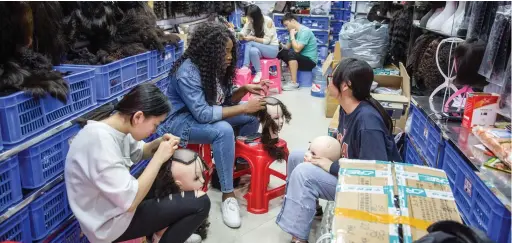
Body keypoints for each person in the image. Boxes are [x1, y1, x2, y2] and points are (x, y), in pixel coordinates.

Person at [276, 58, 402, 243]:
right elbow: (344, 147)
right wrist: (318, 151)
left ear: (345, 86)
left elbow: (373, 177)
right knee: (297, 157)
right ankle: (310, 209)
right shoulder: (347, 108)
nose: (327, 81)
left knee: (304, 173)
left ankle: (299, 238)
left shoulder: (368, 123)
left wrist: (330, 166)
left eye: (332, 77)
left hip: (371, 191)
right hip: (349, 170)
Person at [65, 83, 211, 243]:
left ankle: (162, 235)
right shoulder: (99, 142)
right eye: (155, 125)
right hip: (108, 225)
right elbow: (130, 202)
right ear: (138, 117)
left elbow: (140, 151)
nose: (154, 130)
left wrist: (157, 144)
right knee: (201, 203)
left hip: (116, 206)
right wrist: (159, 157)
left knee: (166, 178)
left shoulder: (116, 128)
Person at [157, 22, 267, 229]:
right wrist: (244, 108)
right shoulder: (187, 73)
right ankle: (228, 195)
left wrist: (243, 89)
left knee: (252, 118)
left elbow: (223, 101)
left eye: (231, 52)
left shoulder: (215, 67)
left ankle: (229, 170)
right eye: (224, 52)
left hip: (201, 115)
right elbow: (204, 114)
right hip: (180, 121)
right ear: (210, 50)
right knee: (224, 130)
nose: (228, 57)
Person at [239, 4, 279, 84]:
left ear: (256, 16)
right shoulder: (250, 21)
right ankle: (259, 72)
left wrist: (253, 38)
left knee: (250, 43)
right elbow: (244, 31)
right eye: (248, 17)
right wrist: (241, 35)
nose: (249, 19)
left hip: (272, 49)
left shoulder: (268, 21)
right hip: (259, 48)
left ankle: (245, 66)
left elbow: (267, 41)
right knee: (253, 51)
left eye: (250, 17)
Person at [278, 13, 318, 91]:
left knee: (292, 53)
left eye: (286, 25)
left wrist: (292, 36)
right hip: (300, 58)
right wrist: (279, 44)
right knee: (280, 52)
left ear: (293, 21)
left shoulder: (305, 31)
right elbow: (287, 47)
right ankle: (281, 76)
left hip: (310, 61)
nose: (286, 28)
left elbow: (297, 49)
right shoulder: (292, 32)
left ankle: (294, 83)